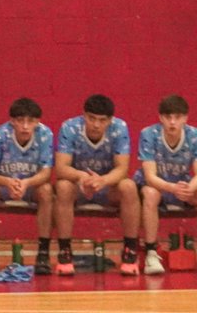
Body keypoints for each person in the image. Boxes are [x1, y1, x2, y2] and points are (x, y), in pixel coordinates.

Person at [54, 93, 141, 276]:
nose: (95, 124)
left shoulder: (120, 128)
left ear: (110, 120)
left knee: (129, 186)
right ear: (84, 115)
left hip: (107, 187)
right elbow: (61, 167)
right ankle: (64, 251)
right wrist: (82, 177)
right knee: (62, 186)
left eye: (101, 120)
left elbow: (122, 169)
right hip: (79, 187)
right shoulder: (69, 128)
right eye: (91, 118)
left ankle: (130, 251)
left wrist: (103, 180)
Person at [135, 95, 197, 276]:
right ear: (160, 118)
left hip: (182, 185)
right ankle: (151, 252)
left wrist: (190, 188)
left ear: (185, 118)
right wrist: (172, 188)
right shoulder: (148, 134)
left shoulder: (195, 135)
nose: (172, 122)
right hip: (159, 185)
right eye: (168, 117)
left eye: (177, 117)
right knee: (150, 193)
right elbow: (150, 177)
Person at [0, 97, 55, 276]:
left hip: (31, 185)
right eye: (21, 121)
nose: (25, 126)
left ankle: (43, 253)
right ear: (12, 121)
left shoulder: (45, 135)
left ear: (38, 122)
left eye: (31, 121)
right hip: (5, 185)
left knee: (47, 190)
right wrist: (7, 182)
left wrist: (26, 183)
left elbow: (46, 173)